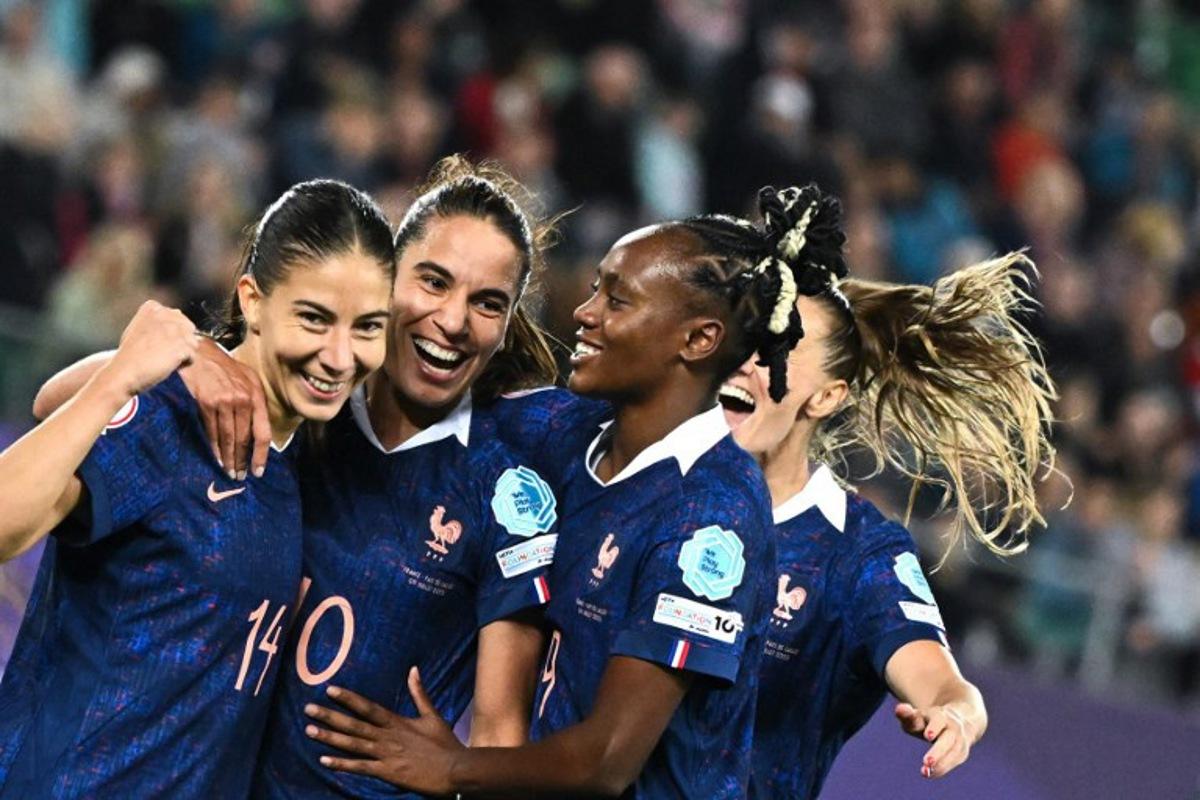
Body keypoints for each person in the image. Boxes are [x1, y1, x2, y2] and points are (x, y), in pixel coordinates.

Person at [30, 156, 567, 799]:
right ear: (386, 281)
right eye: (432, 281)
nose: (453, 320)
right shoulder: (303, 409)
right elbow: (53, 401)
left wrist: (457, 775)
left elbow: (501, 733)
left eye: (487, 303)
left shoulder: (505, 483)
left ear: (508, 323)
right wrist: (188, 352)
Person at [300, 189, 811, 798]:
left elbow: (607, 760)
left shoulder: (711, 515)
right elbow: (440, 413)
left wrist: (452, 769)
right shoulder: (563, 434)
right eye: (596, 288)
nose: (584, 313)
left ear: (698, 340)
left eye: (616, 300)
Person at [0, 179, 396, 797]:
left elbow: (50, 392)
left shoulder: (315, 451)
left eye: (368, 326)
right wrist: (125, 376)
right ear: (253, 300)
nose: (340, 356)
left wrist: (198, 348)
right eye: (314, 318)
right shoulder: (169, 418)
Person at [715, 187, 1056, 798]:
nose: (746, 364)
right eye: (745, 340)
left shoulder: (855, 552)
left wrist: (954, 715)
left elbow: (945, 684)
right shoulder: (653, 478)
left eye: (777, 352)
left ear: (825, 396)